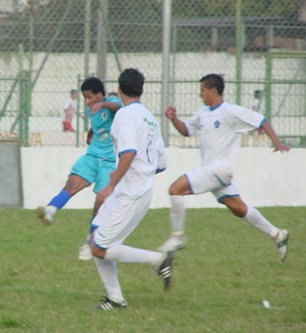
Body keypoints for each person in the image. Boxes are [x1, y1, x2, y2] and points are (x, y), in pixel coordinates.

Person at [157, 73, 290, 262]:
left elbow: (261, 120)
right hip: (213, 171)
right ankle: (277, 234)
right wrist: (173, 118)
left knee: (175, 189)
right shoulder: (202, 113)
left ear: (213, 90)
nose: (200, 94)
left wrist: (276, 143)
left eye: (202, 90)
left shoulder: (230, 111)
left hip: (221, 169)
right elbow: (186, 130)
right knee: (238, 208)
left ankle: (177, 237)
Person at [89, 68, 172, 310]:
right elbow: (161, 164)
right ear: (141, 89)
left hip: (130, 192)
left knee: (99, 247)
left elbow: (128, 153)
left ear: (119, 89)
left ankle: (157, 260)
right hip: (134, 189)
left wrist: (111, 185)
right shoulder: (150, 118)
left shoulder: (125, 115)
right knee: (94, 235)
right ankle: (115, 298)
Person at [36, 77, 121, 261]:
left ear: (100, 94)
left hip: (110, 162)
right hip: (92, 156)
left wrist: (104, 104)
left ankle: (89, 242)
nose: (88, 102)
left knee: (101, 204)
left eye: (90, 97)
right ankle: (50, 211)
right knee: (71, 183)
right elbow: (98, 125)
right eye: (85, 98)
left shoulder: (111, 102)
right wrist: (91, 133)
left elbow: (119, 107)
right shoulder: (92, 109)